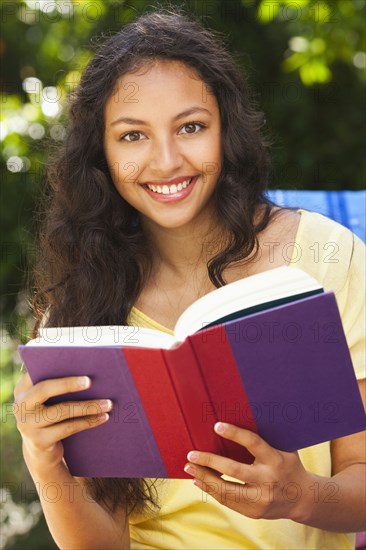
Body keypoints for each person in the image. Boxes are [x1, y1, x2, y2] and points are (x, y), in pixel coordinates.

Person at [13, 9, 365, 550]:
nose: (167, 160)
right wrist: (44, 462)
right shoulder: (84, 305)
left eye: (191, 127)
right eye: (133, 136)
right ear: (101, 154)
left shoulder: (325, 258)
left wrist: (301, 496)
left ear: (227, 128)